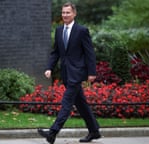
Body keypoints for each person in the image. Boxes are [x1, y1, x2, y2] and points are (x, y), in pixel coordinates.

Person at [37, 2, 101, 144]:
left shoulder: (82, 30)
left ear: (74, 14)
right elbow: (56, 53)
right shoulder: (59, 30)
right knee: (81, 104)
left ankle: (52, 132)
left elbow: (89, 53)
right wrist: (49, 68)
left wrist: (92, 72)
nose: (65, 15)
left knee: (66, 103)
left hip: (77, 74)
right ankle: (94, 131)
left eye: (68, 12)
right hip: (66, 73)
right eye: (63, 12)